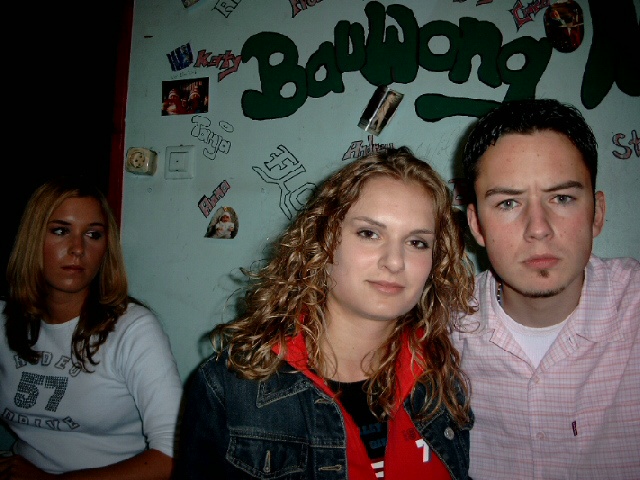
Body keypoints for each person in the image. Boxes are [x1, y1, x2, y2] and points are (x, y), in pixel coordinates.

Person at [175, 147, 477, 479]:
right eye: (369, 233)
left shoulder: (440, 375)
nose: (394, 262)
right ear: (323, 241)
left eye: (417, 242)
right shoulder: (232, 388)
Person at [453, 98, 640, 479]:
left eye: (562, 198)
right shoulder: (439, 334)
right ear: (476, 225)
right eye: (508, 203)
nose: (538, 228)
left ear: (597, 213)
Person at [0, 176, 183, 479]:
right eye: (61, 231)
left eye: (93, 235)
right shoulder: (4, 320)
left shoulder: (132, 329)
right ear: (32, 238)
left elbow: (173, 455)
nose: (77, 249)